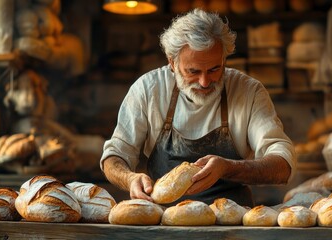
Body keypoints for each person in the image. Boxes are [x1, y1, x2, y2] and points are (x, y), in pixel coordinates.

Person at [100, 8, 295, 207]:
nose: (204, 82)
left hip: (231, 223)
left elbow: (282, 166)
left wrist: (227, 167)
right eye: (193, 71)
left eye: (214, 69)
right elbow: (115, 155)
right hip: (164, 222)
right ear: (172, 63)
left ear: (224, 59)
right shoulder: (149, 90)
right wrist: (130, 179)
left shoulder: (248, 92)